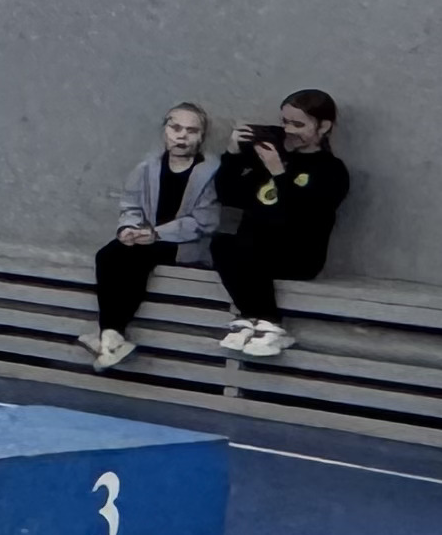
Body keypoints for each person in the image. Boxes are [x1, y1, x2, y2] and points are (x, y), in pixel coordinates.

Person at [81, 103, 220, 372]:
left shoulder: (210, 173)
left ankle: (109, 335)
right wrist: (128, 229)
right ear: (165, 130)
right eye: (175, 128)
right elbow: (130, 205)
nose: (182, 136)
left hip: (187, 246)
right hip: (148, 239)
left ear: (202, 137)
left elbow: (204, 222)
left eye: (191, 131)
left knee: (137, 257)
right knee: (109, 254)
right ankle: (112, 336)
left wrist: (157, 234)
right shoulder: (147, 167)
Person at [213, 90, 349, 360]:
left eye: (298, 124)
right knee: (222, 243)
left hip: (298, 254)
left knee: (251, 243)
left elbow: (303, 217)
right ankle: (254, 319)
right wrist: (232, 154)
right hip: (254, 249)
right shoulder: (272, 156)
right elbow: (228, 195)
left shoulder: (331, 170)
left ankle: (268, 321)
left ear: (323, 126)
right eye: (285, 122)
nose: (289, 130)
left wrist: (279, 173)